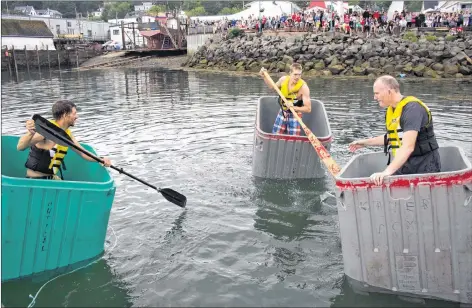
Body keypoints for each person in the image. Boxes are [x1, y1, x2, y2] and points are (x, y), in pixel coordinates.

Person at [349, 75, 441, 185]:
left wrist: (386, 172)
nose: (374, 97)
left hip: (424, 165)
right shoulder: (392, 109)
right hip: (405, 163)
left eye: (377, 93)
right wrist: (365, 143)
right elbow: (394, 136)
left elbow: (408, 146)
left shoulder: (412, 109)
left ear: (390, 91)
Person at [17, 100, 112, 180]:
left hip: (52, 178)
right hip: (36, 181)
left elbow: (83, 153)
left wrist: (100, 160)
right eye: (74, 113)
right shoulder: (46, 131)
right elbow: (20, 147)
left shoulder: (67, 135)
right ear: (65, 115)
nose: (77, 117)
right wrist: (30, 133)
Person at [259, 63, 312, 136]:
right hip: (283, 112)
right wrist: (264, 77)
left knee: (294, 139)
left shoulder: (304, 88)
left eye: (299, 74)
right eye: (295, 74)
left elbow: (308, 109)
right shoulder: (283, 80)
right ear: (290, 73)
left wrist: (293, 107)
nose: (297, 77)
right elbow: (272, 87)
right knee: (276, 135)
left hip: (295, 114)